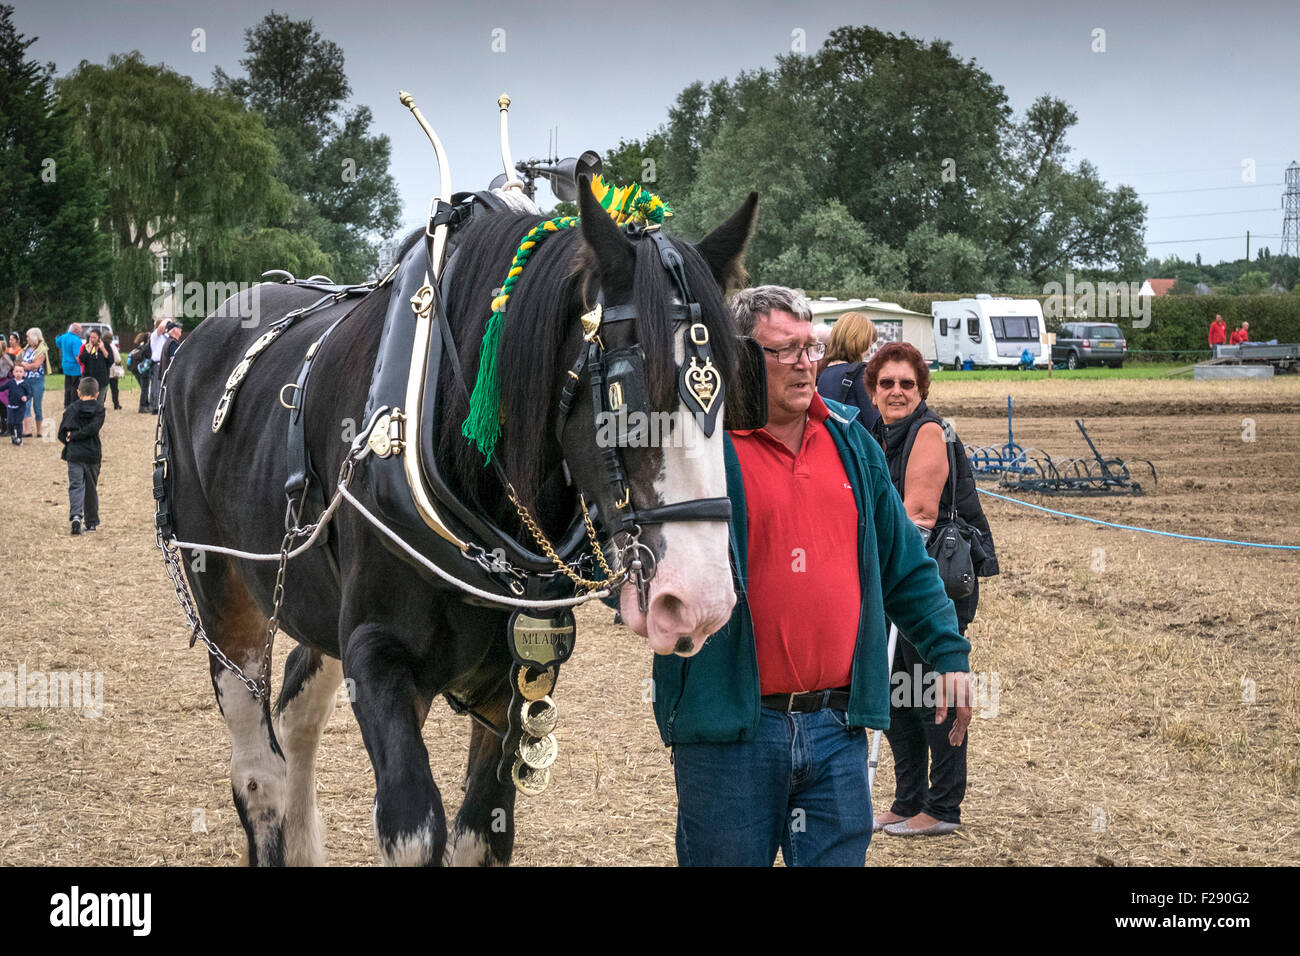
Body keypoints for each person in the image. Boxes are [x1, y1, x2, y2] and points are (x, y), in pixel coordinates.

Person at [652, 285, 972, 867]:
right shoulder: (698, 450)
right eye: (786, 351)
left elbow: (905, 565)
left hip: (836, 728)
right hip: (730, 733)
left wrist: (949, 654)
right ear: (742, 357)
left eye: (811, 348)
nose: (806, 364)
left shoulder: (852, 442)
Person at [864, 342, 998, 837]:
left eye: (907, 384)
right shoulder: (879, 432)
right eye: (887, 383)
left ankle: (942, 808)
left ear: (921, 391)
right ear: (872, 391)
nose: (897, 392)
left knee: (931, 696)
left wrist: (877, 568)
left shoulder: (926, 431)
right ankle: (907, 800)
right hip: (900, 577)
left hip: (930, 584)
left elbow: (917, 518)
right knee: (897, 694)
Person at [815, 311, 882, 432]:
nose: (868, 352)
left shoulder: (823, 375)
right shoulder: (860, 373)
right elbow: (874, 423)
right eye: (869, 345)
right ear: (860, 341)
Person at [59, 376, 106, 534]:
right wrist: (75, 435)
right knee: (91, 487)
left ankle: (76, 516)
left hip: (75, 454)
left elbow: (62, 432)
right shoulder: (100, 410)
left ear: (79, 392)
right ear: (97, 394)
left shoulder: (72, 409)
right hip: (92, 453)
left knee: (76, 486)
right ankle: (91, 521)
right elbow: (93, 429)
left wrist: (71, 437)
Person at [17, 327, 49, 438]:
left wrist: (25, 366)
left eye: (27, 336)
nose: (26, 339)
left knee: (37, 406)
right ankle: (27, 430)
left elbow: (36, 365)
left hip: (37, 381)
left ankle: (39, 431)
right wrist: (24, 365)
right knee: (26, 405)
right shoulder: (26, 349)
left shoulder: (41, 349)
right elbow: (19, 361)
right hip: (26, 380)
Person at [78, 330, 113, 406]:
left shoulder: (105, 346)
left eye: (95, 337)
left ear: (99, 338)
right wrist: (88, 350)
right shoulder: (87, 346)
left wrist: (103, 349)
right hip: (89, 379)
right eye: (91, 337)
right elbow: (81, 360)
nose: (92, 339)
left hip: (102, 379)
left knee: (100, 402)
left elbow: (110, 360)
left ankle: (98, 416)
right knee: (88, 401)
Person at [55, 323, 84, 407]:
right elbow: (77, 356)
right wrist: (83, 365)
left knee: (68, 385)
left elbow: (57, 342)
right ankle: (73, 403)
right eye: (80, 329)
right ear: (75, 330)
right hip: (75, 366)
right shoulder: (76, 340)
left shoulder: (64, 336)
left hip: (65, 364)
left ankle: (66, 403)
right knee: (75, 386)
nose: (81, 331)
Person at [6, 363, 32, 445]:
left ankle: (19, 438)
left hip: (20, 407)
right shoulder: (10, 383)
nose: (18, 373)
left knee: (18, 422)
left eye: (20, 371)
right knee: (10, 422)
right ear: (13, 373)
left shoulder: (25, 384)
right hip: (10, 406)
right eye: (16, 371)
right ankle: (13, 435)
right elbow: (2, 388)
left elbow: (30, 394)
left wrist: (26, 398)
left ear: (24, 373)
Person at [148, 318, 169, 413]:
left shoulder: (166, 336)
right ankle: (155, 406)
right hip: (157, 363)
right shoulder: (155, 336)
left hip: (164, 363)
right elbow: (161, 328)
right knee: (156, 385)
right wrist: (168, 319)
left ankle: (159, 404)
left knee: (162, 385)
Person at [128, 333, 153, 412]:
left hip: (136, 370)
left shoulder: (138, 348)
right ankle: (143, 406)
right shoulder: (146, 348)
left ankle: (145, 404)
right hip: (144, 370)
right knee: (144, 388)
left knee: (144, 388)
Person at [106, 333, 124, 410]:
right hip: (112, 370)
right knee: (114, 389)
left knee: (103, 388)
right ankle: (116, 404)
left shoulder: (101, 345)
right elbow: (117, 359)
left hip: (104, 369)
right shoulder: (112, 346)